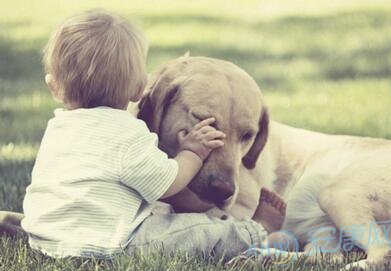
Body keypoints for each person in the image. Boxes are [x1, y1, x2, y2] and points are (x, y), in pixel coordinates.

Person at [20, 10, 288, 260]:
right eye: (201, 119)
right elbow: (165, 183)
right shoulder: (128, 134)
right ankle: (255, 231)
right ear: (140, 91)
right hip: (116, 242)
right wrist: (191, 153)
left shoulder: (57, 129)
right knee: (197, 232)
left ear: (53, 86)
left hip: (46, 236)